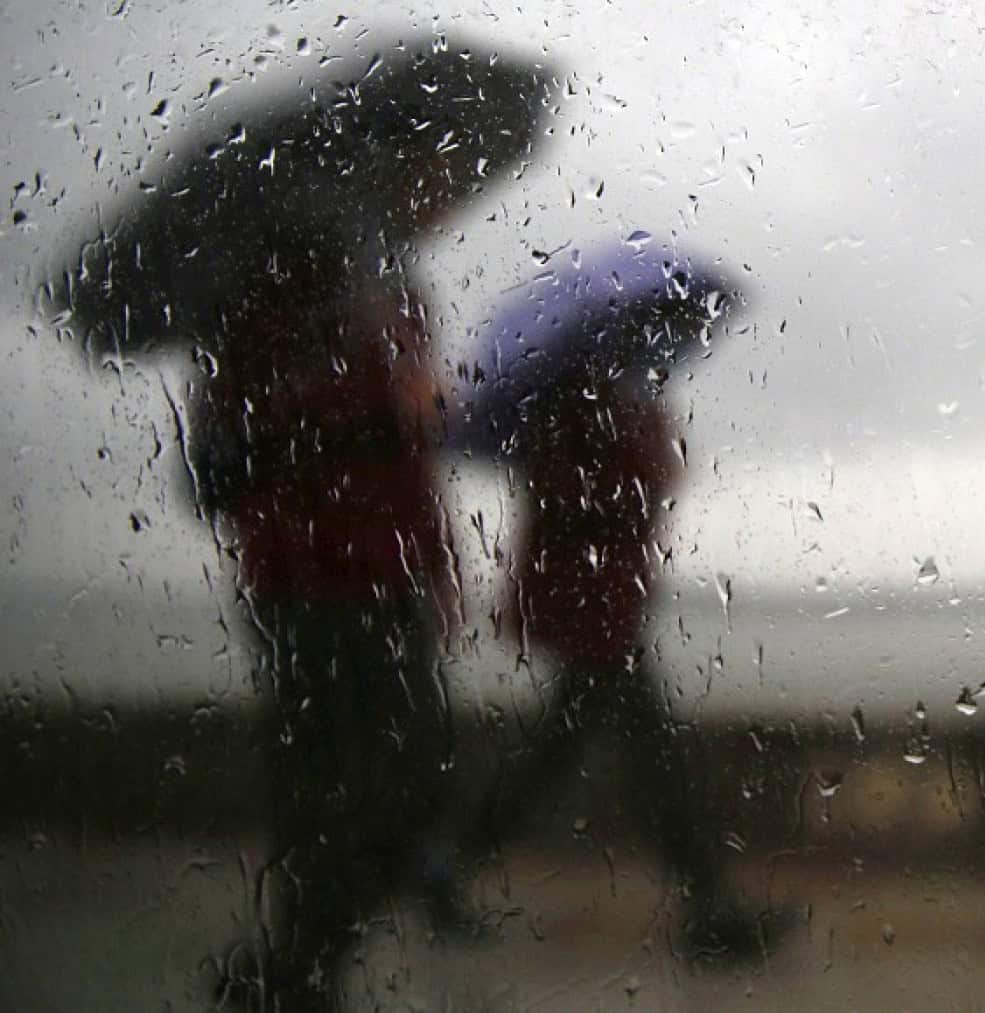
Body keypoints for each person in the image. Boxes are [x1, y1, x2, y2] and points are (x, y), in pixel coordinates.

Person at [51, 34, 553, 1010]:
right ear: (405, 150)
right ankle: (293, 970)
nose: (456, 195)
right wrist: (378, 406)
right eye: (447, 168)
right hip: (313, 563)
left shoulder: (382, 266)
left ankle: (303, 960)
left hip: (385, 555)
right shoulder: (290, 264)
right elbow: (268, 424)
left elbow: (402, 444)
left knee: (398, 768)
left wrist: (437, 555)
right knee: (339, 772)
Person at [452, 246, 789, 959]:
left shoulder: (618, 395)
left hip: (605, 598)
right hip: (586, 600)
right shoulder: (578, 401)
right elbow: (586, 500)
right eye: (666, 320)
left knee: (563, 752)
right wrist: (643, 455)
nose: (673, 335)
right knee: (650, 758)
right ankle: (711, 911)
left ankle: (448, 862)